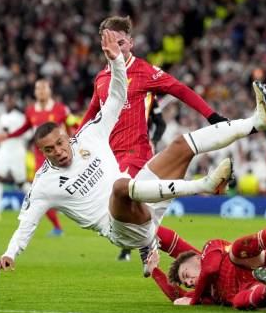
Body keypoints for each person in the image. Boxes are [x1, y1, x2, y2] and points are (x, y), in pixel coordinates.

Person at [0, 29, 266, 278]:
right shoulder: (44, 182)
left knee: (181, 145)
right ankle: (204, 186)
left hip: (144, 196)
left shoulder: (88, 137)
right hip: (120, 228)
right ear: (41, 152)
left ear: (66, 136)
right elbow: (27, 223)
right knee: (121, 188)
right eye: (49, 150)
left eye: (59, 143)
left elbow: (117, 97)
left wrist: (117, 62)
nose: (58, 152)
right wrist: (10, 253)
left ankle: (257, 122)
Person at [81, 16, 228, 262]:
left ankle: (155, 248)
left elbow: (180, 90)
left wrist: (211, 115)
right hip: (109, 158)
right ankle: (188, 258)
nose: (116, 48)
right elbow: (91, 114)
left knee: (125, 210)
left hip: (135, 153)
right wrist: (76, 143)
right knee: (131, 218)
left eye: (121, 42)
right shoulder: (101, 78)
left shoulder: (144, 71)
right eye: (110, 42)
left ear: (131, 42)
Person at [148, 223, 266, 310]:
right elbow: (178, 296)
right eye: (187, 284)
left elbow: (210, 269)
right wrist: (154, 270)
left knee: (236, 250)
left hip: (251, 262)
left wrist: (144, 226)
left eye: (186, 275)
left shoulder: (210, 247)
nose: (188, 283)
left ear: (197, 259)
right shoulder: (204, 294)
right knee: (238, 302)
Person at [0, 79, 71, 236]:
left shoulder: (60, 109)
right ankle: (57, 227)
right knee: (40, 192)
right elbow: (24, 129)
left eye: (44, 88)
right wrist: (7, 136)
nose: (41, 91)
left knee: (65, 189)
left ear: (50, 91)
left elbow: (71, 128)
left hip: (61, 155)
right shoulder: (30, 111)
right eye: (38, 89)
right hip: (41, 157)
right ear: (35, 92)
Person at [0, 93, 28, 220]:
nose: (8, 103)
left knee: (21, 183)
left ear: (14, 102)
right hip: (4, 150)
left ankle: (38, 203)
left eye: (10, 101)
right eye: (6, 101)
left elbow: (25, 134)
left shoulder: (20, 117)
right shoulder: (3, 116)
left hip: (17, 151)